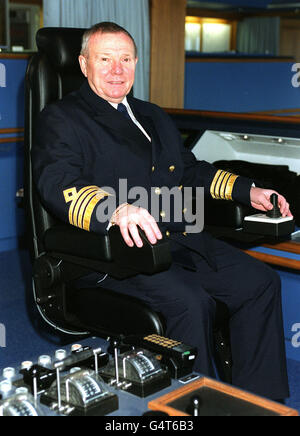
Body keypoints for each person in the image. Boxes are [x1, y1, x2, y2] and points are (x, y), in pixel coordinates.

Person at [33, 22, 291, 401]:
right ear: (84, 64)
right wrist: (115, 209)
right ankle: (188, 409)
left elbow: (189, 169)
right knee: (191, 304)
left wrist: (246, 190)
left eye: (125, 59)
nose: (117, 69)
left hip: (177, 238)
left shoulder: (151, 114)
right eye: (105, 59)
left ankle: (258, 401)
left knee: (260, 282)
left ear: (137, 63)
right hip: (116, 253)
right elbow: (57, 184)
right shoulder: (63, 117)